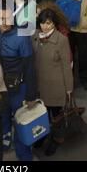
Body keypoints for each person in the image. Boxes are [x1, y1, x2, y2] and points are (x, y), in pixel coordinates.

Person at [0, 6, 37, 161]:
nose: (5, 22)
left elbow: (30, 68)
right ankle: (5, 138)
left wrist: (31, 95)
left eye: (8, 18)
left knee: (20, 121)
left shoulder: (22, 38)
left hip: (19, 88)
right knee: (2, 114)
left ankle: (24, 155)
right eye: (1, 18)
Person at [32, 9, 73, 156]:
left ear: (54, 23)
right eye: (42, 23)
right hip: (40, 85)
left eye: (48, 23)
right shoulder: (35, 36)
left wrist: (69, 88)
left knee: (56, 117)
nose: (45, 26)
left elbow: (66, 66)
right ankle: (42, 136)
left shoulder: (61, 40)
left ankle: (57, 139)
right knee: (41, 114)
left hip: (56, 87)